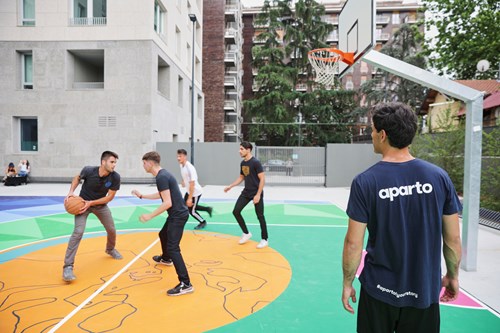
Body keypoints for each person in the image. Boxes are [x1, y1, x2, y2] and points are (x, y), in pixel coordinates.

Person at [341, 102, 462, 333]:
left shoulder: (365, 181)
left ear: (383, 135)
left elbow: (353, 243)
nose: (372, 134)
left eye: (373, 130)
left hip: (379, 291)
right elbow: (453, 239)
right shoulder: (439, 178)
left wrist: (347, 282)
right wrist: (453, 276)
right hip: (424, 291)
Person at [131, 151, 194, 296]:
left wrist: (149, 216)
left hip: (177, 215)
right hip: (176, 214)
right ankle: (166, 258)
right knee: (163, 234)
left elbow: (167, 202)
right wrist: (142, 196)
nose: (143, 166)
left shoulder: (161, 177)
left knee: (173, 247)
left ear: (150, 163)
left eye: (144, 163)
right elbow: (162, 194)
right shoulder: (163, 175)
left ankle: (186, 283)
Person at [62, 151, 123, 282]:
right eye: (112, 162)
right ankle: (68, 267)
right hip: (82, 205)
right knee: (78, 232)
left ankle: (110, 249)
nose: (114, 165)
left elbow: (110, 197)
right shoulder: (89, 170)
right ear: (103, 162)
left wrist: (92, 203)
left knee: (111, 229)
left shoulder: (115, 177)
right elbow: (77, 178)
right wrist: (71, 192)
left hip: (100, 205)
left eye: (115, 162)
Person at [224, 141, 269, 249]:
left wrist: (258, 195)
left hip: (256, 193)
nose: (239, 151)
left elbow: (262, 179)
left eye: (241, 149)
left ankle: (264, 239)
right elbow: (241, 177)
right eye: (239, 149)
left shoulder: (255, 162)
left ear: (248, 150)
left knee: (260, 216)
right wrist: (231, 186)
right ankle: (246, 233)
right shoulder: (243, 163)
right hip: (246, 192)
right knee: (236, 211)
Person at [177, 149, 213, 230]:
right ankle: (207, 209)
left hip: (195, 192)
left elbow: (192, 184)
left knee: (192, 211)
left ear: (185, 157)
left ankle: (202, 221)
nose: (178, 158)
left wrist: (190, 198)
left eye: (180, 156)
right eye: (178, 156)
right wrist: (183, 181)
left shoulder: (190, 168)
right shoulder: (181, 165)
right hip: (189, 191)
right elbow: (185, 176)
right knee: (186, 206)